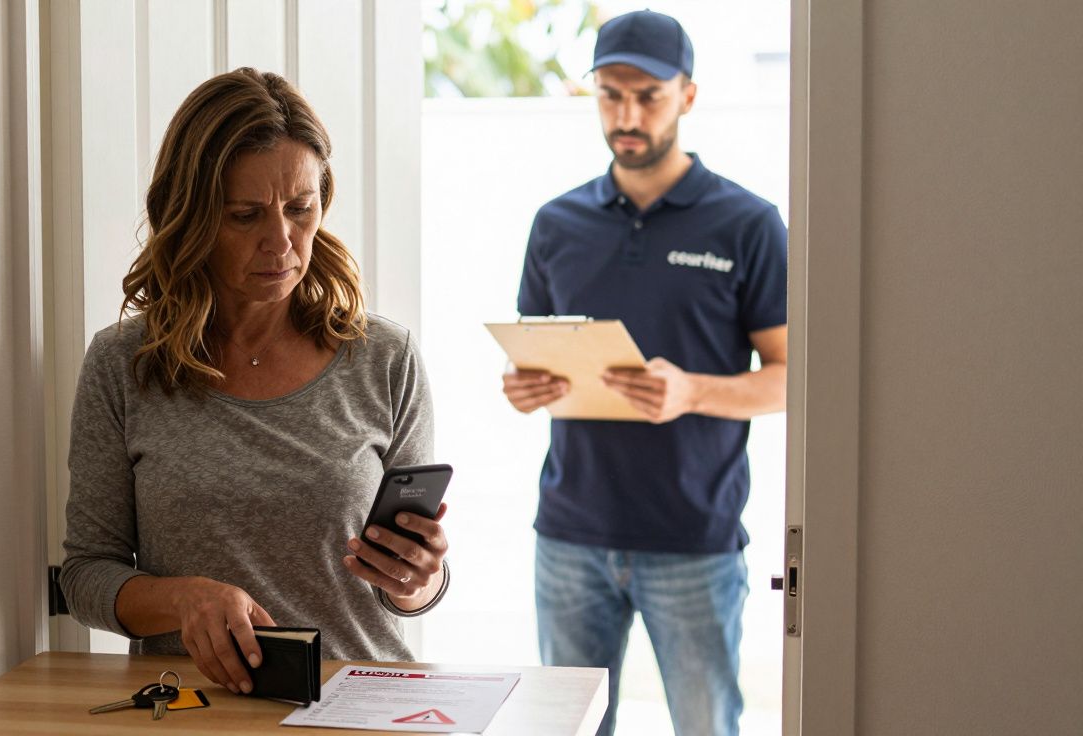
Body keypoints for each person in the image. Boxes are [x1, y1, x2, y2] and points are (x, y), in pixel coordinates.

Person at [60, 68, 450, 696]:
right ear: (189, 217)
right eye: (245, 215)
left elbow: (412, 590)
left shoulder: (385, 357)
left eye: (301, 209)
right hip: (192, 706)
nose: (282, 242)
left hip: (363, 702)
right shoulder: (123, 365)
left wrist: (421, 579)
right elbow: (85, 577)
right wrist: (183, 600)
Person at [502, 10, 788, 736]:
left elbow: (793, 377)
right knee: (564, 729)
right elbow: (536, 357)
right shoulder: (555, 223)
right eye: (609, 94)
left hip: (694, 539)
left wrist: (693, 389)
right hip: (569, 535)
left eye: (648, 96)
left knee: (706, 727)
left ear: (687, 95)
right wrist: (522, 389)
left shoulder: (748, 224)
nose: (627, 115)